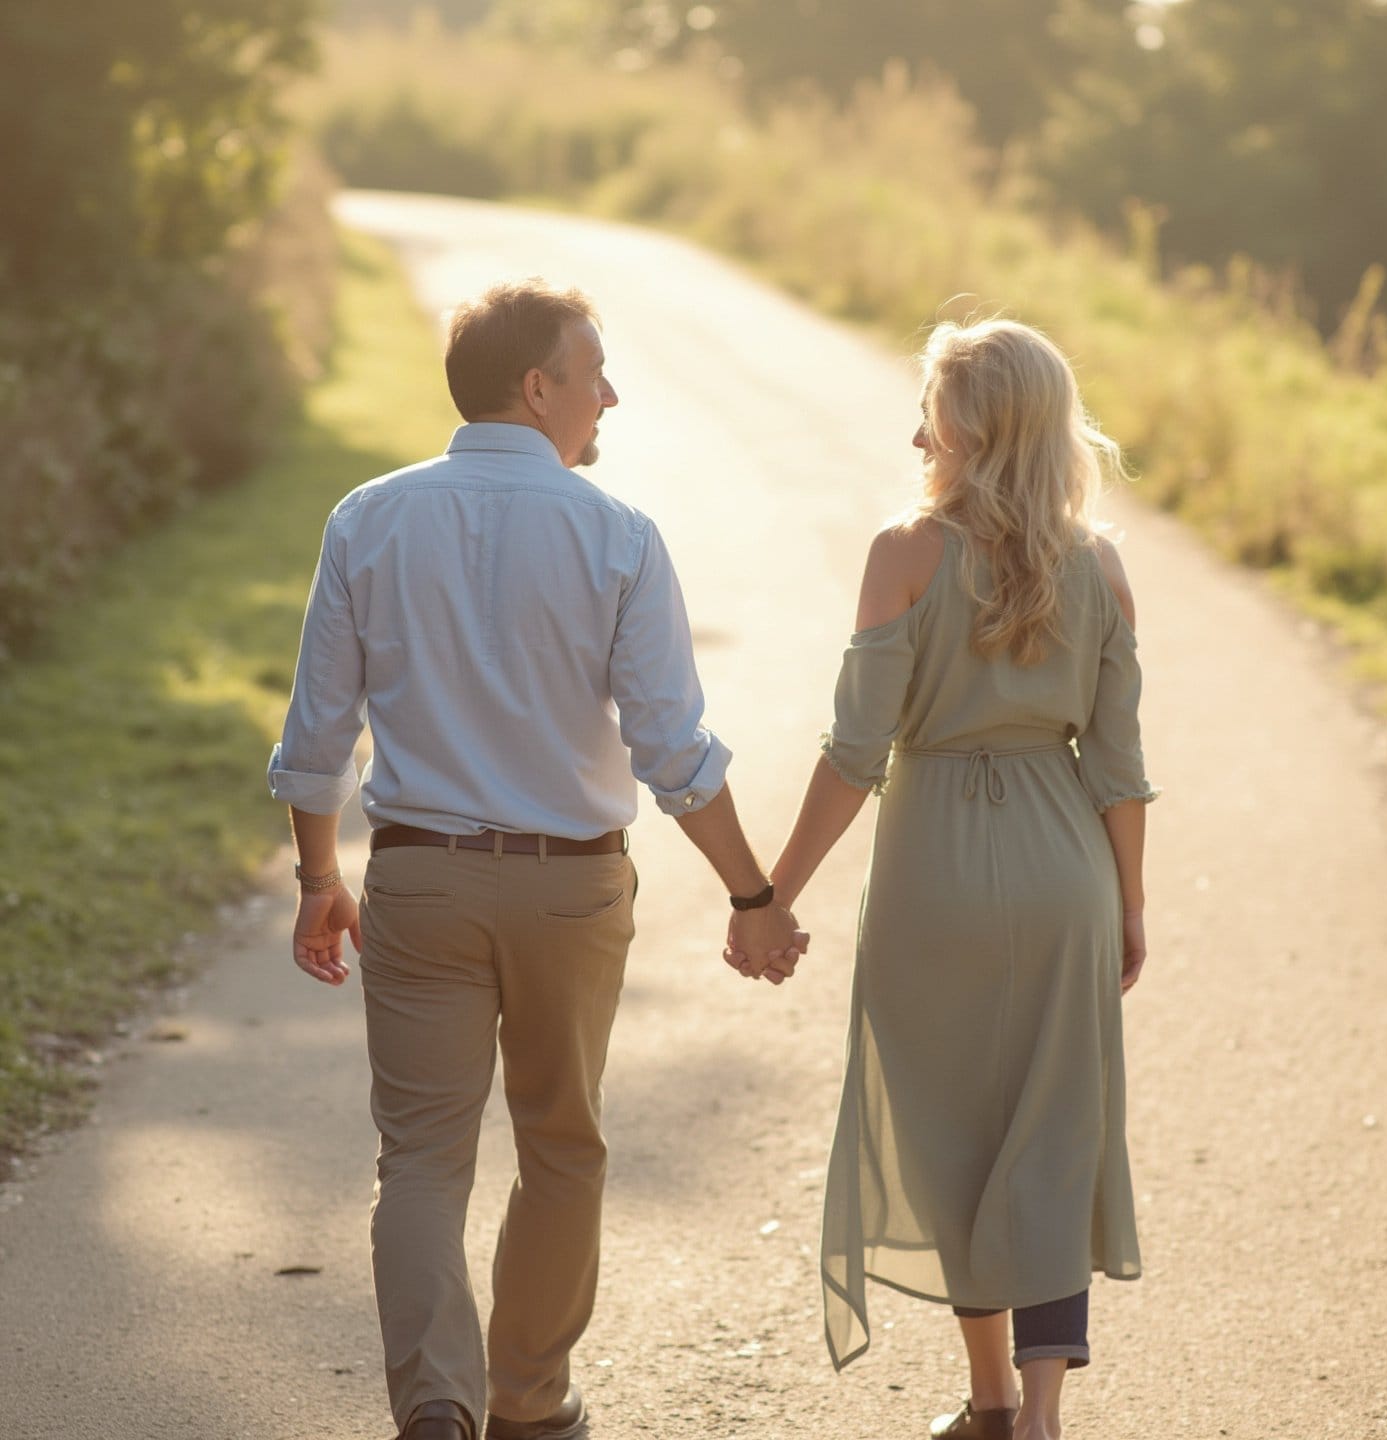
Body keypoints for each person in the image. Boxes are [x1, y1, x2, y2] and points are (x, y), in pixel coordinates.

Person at [267, 278, 805, 1440]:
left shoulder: (367, 517)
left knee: (417, 1162)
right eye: (593, 371)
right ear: (537, 386)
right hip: (570, 888)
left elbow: (316, 733)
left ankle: (438, 1411)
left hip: (418, 881)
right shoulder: (617, 536)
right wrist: (752, 894)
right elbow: (673, 750)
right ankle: (528, 1402)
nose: (609, 395)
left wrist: (320, 878)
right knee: (562, 1143)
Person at [731, 317, 1156, 1440]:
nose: (915, 429)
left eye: (929, 408)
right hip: (1065, 862)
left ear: (961, 427)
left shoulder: (904, 552)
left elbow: (853, 753)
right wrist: (1132, 899)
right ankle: (1046, 1414)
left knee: (949, 1127)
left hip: (933, 872)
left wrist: (775, 895)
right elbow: (1118, 765)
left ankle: (990, 1401)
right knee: (1057, 1127)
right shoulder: (1101, 565)